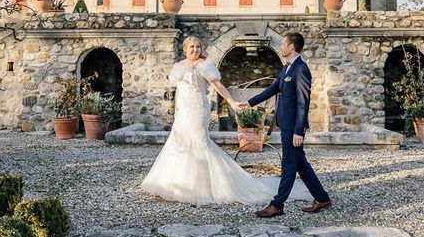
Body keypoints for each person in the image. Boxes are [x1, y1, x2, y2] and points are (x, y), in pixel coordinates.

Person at [140, 35, 310, 206]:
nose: (195, 50)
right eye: (192, 47)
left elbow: (218, 86)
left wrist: (232, 102)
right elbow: (179, 90)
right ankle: (176, 183)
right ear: (185, 49)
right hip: (183, 111)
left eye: (198, 47)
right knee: (178, 142)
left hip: (198, 109)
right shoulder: (179, 66)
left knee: (199, 142)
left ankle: (205, 186)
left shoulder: (205, 65)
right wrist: (177, 109)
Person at [241, 32, 331, 218]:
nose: (281, 47)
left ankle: (277, 204)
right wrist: (248, 103)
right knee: (300, 164)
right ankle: (322, 198)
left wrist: (299, 131)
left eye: (283, 44)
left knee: (289, 164)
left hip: (293, 128)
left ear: (291, 47)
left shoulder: (301, 69)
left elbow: (303, 102)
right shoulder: (287, 68)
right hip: (286, 125)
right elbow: (273, 89)